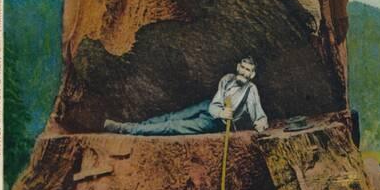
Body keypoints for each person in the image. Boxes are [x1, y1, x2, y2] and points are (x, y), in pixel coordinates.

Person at [103, 57, 269, 135]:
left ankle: (126, 129)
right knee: (171, 116)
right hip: (209, 107)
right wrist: (220, 111)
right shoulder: (227, 78)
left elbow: (258, 113)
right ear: (238, 66)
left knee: (173, 126)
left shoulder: (251, 90)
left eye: (248, 70)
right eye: (243, 68)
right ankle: (135, 125)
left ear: (252, 74)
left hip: (215, 123)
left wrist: (261, 123)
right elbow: (215, 103)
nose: (244, 72)